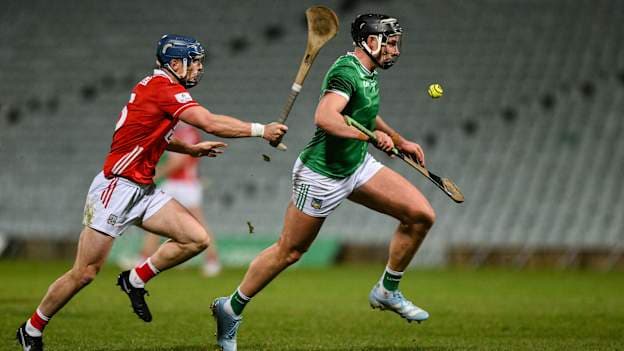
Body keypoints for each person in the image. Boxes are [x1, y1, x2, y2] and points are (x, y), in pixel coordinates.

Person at [15, 34, 287, 351]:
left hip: (143, 188)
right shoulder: (164, 89)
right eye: (194, 61)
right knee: (85, 273)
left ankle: (135, 279)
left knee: (196, 239)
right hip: (116, 187)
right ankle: (31, 330)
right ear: (174, 63)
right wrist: (260, 130)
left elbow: (149, 134)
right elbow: (210, 122)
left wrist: (189, 148)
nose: (199, 68)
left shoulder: (157, 88)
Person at [211, 14, 436, 350]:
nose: (395, 50)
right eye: (389, 42)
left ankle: (387, 290)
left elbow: (364, 112)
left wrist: (397, 139)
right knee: (290, 251)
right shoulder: (346, 71)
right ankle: (231, 308)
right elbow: (326, 116)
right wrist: (373, 138)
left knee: (421, 215)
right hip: (320, 175)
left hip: (356, 165)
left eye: (395, 42)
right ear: (368, 42)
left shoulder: (367, 73)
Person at [138, 122, 222, 277]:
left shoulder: (187, 133)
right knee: (155, 220)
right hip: (176, 183)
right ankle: (143, 259)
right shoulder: (178, 132)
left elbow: (178, 162)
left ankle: (212, 260)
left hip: (186, 184)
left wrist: (155, 175)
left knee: (198, 223)